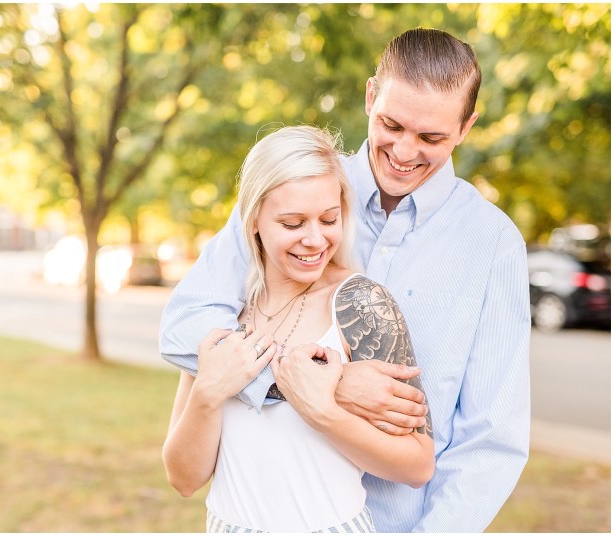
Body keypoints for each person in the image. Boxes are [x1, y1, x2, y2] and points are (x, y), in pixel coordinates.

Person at [160, 28, 531, 532]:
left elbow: (490, 440)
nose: (404, 151)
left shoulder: (493, 245)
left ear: (466, 126)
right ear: (370, 95)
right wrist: (318, 385)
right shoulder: (297, 184)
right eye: (392, 124)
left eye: (431, 137)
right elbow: (187, 325)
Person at [162, 125, 434, 533]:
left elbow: (418, 463)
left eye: (328, 219)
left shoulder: (361, 304)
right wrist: (207, 392)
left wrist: (322, 411)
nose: (314, 240)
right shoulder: (221, 317)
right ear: (253, 220)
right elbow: (184, 480)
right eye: (292, 223)